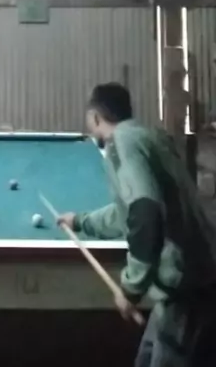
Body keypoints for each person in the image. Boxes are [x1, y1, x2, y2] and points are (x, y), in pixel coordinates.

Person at [58, 82, 216, 367]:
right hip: (185, 287)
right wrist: (81, 221)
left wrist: (132, 287)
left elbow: (145, 210)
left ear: (95, 117)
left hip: (187, 290)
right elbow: (129, 211)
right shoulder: (148, 136)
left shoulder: (122, 143)